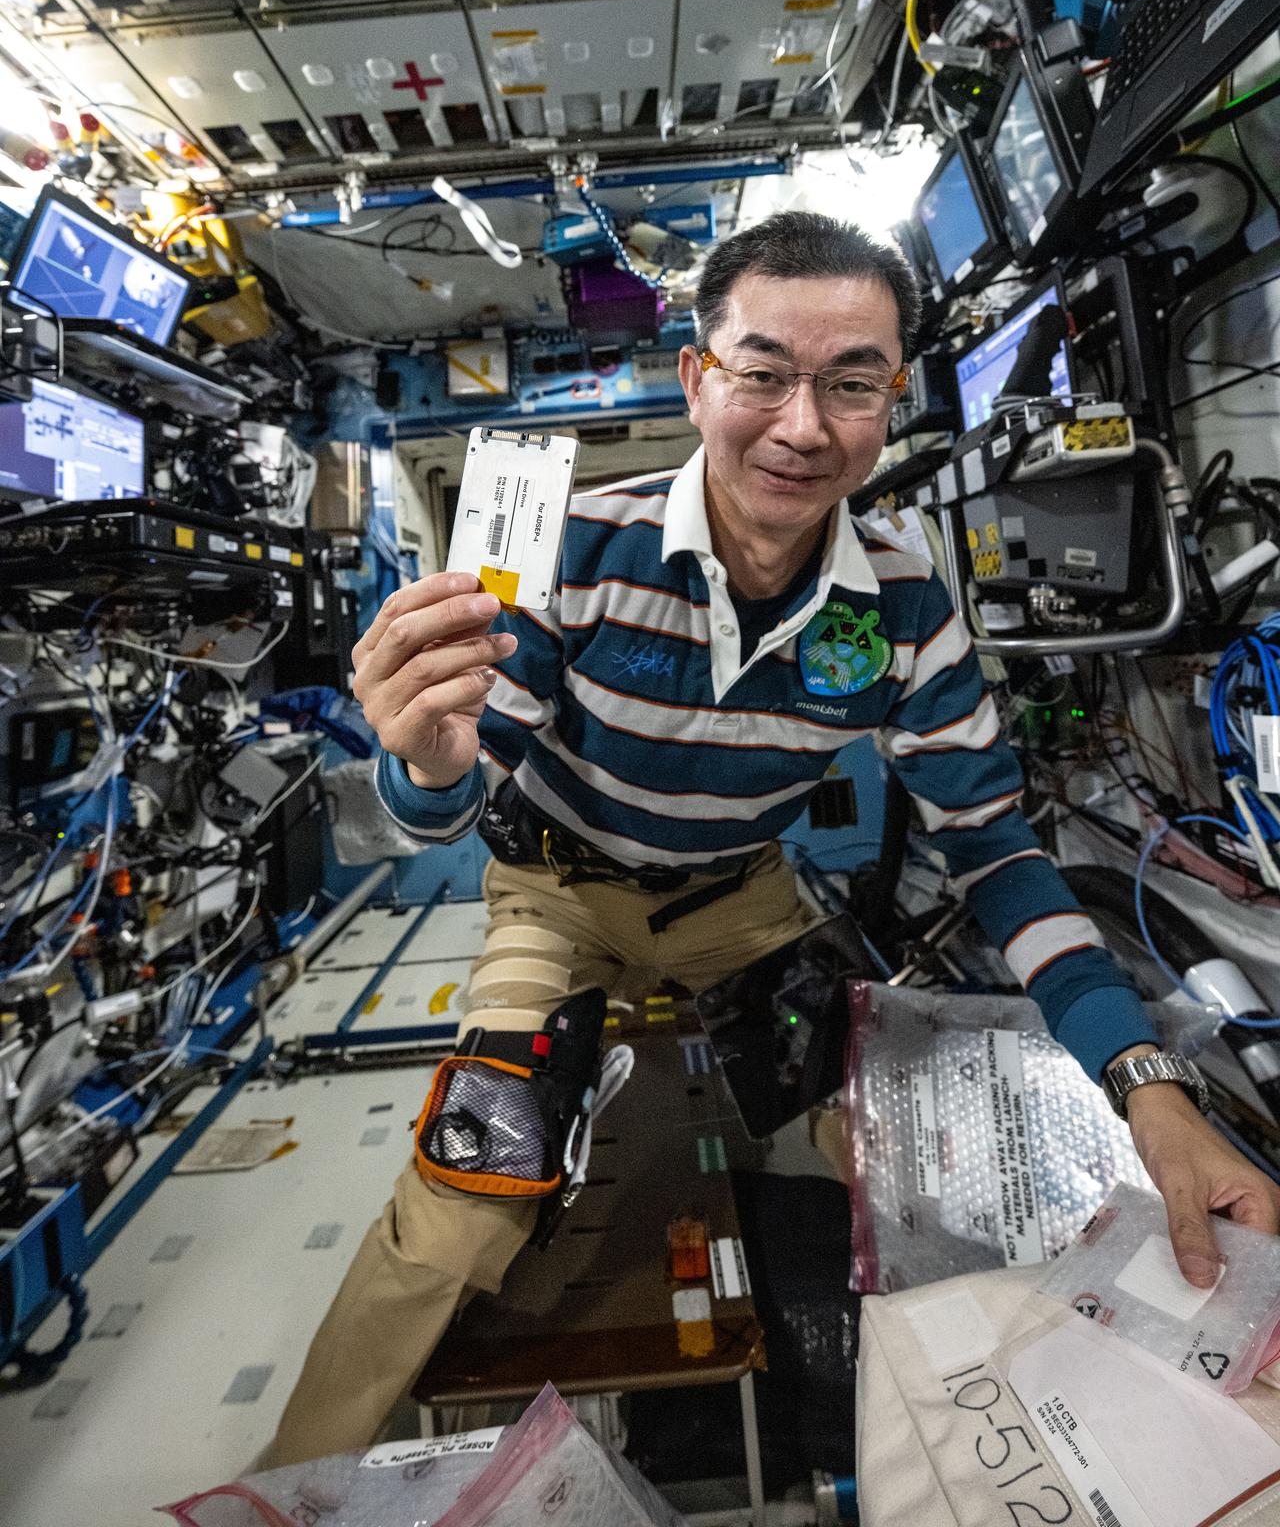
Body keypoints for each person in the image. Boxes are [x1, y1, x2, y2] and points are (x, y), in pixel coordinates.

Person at [262, 214, 1279, 1467]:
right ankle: (290, 1485)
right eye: (761, 374)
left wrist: (1149, 1090)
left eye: (850, 383)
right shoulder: (576, 548)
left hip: (738, 906)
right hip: (557, 902)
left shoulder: (906, 607)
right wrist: (423, 764)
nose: (802, 427)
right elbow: (459, 786)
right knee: (470, 1192)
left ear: (890, 401)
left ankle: (1038, 1441)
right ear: (697, 379)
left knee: (919, 1155)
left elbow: (998, 858)